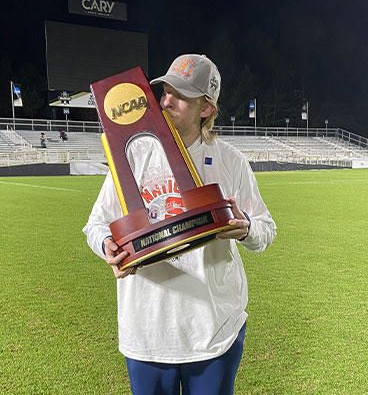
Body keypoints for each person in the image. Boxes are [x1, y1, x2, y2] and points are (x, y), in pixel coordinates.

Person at [83, 54, 277, 395]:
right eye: (165, 91)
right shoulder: (135, 155)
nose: (166, 101)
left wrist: (246, 226)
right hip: (146, 330)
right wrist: (106, 247)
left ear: (207, 108)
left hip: (214, 330)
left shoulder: (229, 160)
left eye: (180, 96)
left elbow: (265, 228)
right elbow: (96, 223)